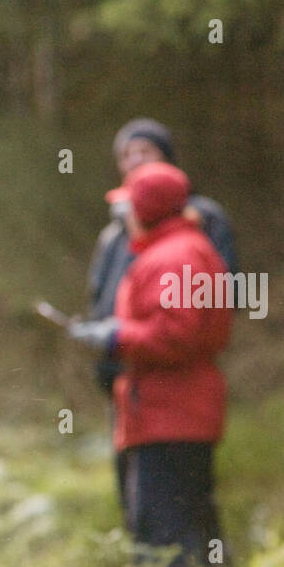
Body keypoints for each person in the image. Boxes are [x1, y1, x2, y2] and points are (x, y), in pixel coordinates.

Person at [68, 162, 231, 567]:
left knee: (161, 532)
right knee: (187, 523)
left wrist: (115, 336)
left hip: (169, 415)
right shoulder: (182, 248)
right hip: (176, 412)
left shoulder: (174, 256)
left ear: (147, 209)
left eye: (130, 204)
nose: (124, 214)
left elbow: (176, 335)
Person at [87, 118, 237, 516]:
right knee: (152, 510)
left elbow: (182, 330)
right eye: (125, 154)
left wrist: (117, 336)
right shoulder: (121, 237)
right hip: (137, 389)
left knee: (168, 520)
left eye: (145, 152)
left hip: (170, 395)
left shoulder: (183, 247)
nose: (134, 161)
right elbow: (101, 295)